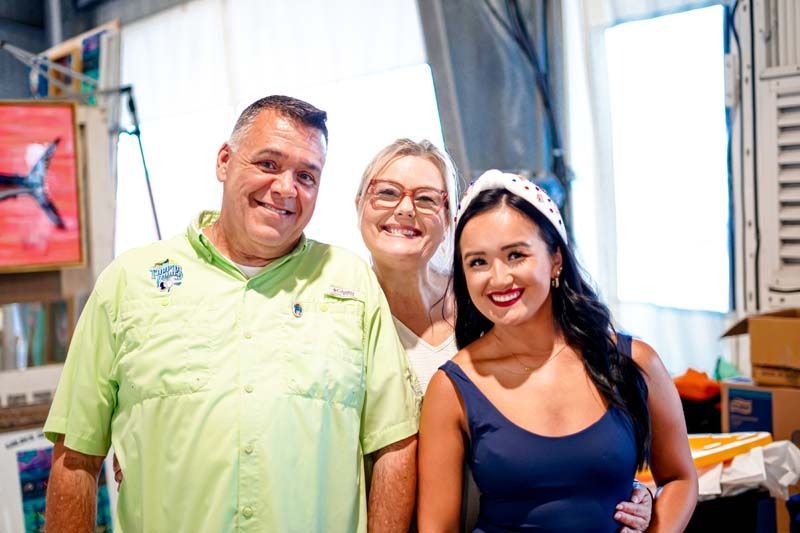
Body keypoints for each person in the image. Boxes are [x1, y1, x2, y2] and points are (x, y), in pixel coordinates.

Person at [44, 96, 420, 532]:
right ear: (225, 161)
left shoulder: (351, 284)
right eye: (268, 163)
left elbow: (394, 445)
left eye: (306, 176)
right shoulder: (129, 282)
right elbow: (76, 456)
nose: (285, 189)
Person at [356, 143, 655, 532]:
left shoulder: (492, 309)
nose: (406, 209)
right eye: (387, 192)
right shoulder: (343, 318)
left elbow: (571, 428)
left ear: (449, 220)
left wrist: (625, 491)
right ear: (360, 202)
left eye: (427, 198)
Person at [417, 170, 698, 532]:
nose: (498, 278)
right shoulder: (452, 388)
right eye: (478, 262)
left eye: (515, 255)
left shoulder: (634, 362)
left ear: (555, 260)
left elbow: (679, 479)